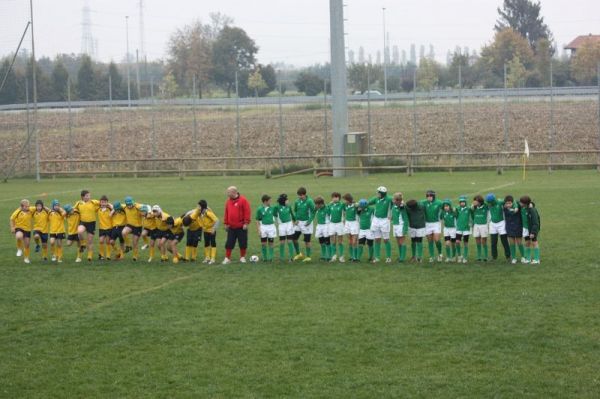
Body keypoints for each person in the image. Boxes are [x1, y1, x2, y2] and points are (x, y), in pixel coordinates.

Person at [223, 186, 251, 265]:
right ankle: (227, 258)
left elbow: (247, 212)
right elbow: (226, 213)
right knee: (229, 242)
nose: (227, 194)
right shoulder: (228, 202)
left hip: (241, 226)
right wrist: (226, 223)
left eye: (229, 192)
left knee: (243, 242)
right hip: (231, 227)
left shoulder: (243, 200)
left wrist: (246, 223)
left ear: (234, 192)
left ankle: (242, 257)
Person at [368, 186, 393, 263]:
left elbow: (397, 201)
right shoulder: (376, 198)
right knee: (377, 239)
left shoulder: (389, 199)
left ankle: (388, 257)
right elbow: (368, 202)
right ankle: (377, 257)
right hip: (376, 220)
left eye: (378, 192)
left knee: (386, 240)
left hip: (385, 220)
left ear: (382, 194)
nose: (377, 193)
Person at [74, 190, 100, 262]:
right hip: (83, 222)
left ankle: (89, 255)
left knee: (90, 240)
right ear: (82, 197)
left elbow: (103, 203)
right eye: (87, 196)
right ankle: (83, 243)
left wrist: (109, 205)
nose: (89, 197)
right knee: (79, 232)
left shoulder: (94, 202)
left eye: (89, 195)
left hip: (91, 223)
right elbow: (74, 209)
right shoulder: (79, 203)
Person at [191, 200, 219, 265]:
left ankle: (213, 258)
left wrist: (214, 229)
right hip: (205, 231)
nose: (197, 207)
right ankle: (207, 257)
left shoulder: (208, 213)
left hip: (211, 231)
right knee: (206, 243)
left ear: (202, 207)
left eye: (199, 206)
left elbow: (217, 220)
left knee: (213, 243)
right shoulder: (200, 213)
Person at [292, 187, 315, 262]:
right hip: (298, 223)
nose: (300, 197)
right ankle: (299, 254)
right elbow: (295, 211)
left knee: (307, 240)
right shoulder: (297, 201)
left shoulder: (309, 201)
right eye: (299, 195)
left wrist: (309, 221)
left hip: (306, 223)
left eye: (301, 195)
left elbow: (313, 212)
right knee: (294, 238)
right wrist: (295, 220)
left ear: (305, 194)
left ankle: (308, 256)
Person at [486, 193, 510, 261]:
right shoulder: (488, 204)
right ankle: (494, 256)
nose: (489, 204)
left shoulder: (500, 202)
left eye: (490, 202)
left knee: (504, 241)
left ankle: (508, 256)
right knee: (493, 242)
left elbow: (511, 201)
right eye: (488, 202)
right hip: (492, 224)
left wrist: (515, 206)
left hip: (501, 224)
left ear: (493, 200)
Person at [9, 199, 35, 264]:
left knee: (27, 245)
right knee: (19, 236)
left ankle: (26, 258)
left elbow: (38, 207)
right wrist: (12, 227)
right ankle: (19, 249)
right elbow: (12, 219)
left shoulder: (31, 210)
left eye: (28, 206)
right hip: (19, 227)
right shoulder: (17, 211)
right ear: (22, 206)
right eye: (26, 206)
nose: (27, 207)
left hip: (27, 229)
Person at [421, 190, 444, 262]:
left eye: (430, 196)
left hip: (436, 223)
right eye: (427, 196)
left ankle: (440, 254)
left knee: (437, 240)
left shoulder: (439, 202)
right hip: (427, 224)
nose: (429, 197)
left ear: (433, 196)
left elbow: (446, 207)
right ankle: (431, 256)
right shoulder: (423, 202)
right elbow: (415, 204)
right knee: (430, 240)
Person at [503, 195, 525, 264]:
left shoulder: (518, 206)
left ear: (513, 202)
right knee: (511, 243)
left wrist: (515, 204)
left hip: (518, 226)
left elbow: (521, 202)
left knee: (519, 242)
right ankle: (514, 258)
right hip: (509, 227)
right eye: (507, 203)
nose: (508, 205)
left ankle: (523, 256)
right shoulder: (504, 208)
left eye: (510, 203)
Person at [273, 194, 295, 262]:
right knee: (282, 242)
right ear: (283, 201)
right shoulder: (276, 207)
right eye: (286, 200)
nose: (288, 201)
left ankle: (291, 258)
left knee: (289, 241)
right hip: (281, 225)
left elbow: (292, 214)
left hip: (289, 225)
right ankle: (281, 258)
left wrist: (295, 220)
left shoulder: (289, 206)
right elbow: (274, 214)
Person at [520, 195, 541, 264]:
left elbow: (535, 222)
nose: (520, 203)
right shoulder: (523, 208)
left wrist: (533, 232)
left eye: (521, 202)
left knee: (534, 242)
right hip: (525, 229)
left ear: (525, 203)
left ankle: (537, 259)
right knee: (527, 243)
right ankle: (528, 259)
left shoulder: (532, 210)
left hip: (532, 229)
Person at [122, 196, 144, 261]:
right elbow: (116, 206)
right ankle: (128, 246)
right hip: (130, 225)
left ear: (132, 203)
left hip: (138, 227)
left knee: (135, 242)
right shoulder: (124, 207)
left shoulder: (137, 207)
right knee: (123, 232)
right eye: (128, 205)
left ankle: (135, 256)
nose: (129, 206)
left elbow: (145, 207)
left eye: (130, 204)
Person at [256, 194, 276, 262]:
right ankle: (265, 258)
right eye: (269, 201)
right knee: (263, 243)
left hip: (271, 227)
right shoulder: (259, 209)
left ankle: (270, 257)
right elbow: (257, 220)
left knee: (271, 243)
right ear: (265, 201)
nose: (270, 202)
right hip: (263, 227)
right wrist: (258, 230)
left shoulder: (273, 208)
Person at [391, 193, 409, 262]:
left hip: (401, 226)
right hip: (395, 225)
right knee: (398, 242)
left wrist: (405, 229)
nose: (393, 200)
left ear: (398, 200)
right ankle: (400, 255)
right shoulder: (394, 206)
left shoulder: (403, 207)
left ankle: (402, 258)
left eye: (394, 199)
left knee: (402, 242)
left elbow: (406, 218)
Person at [328, 192, 345, 262]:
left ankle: (341, 256)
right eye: (333, 197)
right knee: (333, 241)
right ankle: (334, 256)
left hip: (339, 224)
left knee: (340, 241)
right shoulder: (330, 205)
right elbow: (328, 212)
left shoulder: (342, 205)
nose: (335, 199)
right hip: (332, 224)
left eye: (336, 197)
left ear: (339, 198)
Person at [314, 196, 331, 261]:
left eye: (317, 204)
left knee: (327, 241)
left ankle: (329, 256)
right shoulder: (317, 209)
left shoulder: (327, 208)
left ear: (321, 204)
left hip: (326, 226)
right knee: (321, 242)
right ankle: (323, 256)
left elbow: (330, 215)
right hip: (319, 226)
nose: (316, 205)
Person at [455, 196, 472, 264]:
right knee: (457, 242)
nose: (462, 203)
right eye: (461, 202)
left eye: (463, 202)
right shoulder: (457, 208)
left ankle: (465, 257)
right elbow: (455, 216)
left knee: (465, 243)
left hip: (466, 228)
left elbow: (472, 215)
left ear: (465, 202)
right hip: (459, 228)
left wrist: (471, 223)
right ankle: (459, 256)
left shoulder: (468, 209)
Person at [472, 195, 489, 262]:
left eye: (476, 201)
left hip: (483, 225)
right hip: (476, 225)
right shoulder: (473, 207)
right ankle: (479, 256)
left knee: (484, 241)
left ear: (480, 202)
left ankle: (486, 256)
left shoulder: (485, 206)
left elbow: (489, 204)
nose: (475, 202)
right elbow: (472, 209)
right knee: (477, 241)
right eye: (474, 200)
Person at [342, 193, 359, 262]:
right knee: (350, 241)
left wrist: (357, 205)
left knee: (354, 241)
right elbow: (342, 210)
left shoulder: (355, 206)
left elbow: (361, 207)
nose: (344, 201)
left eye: (345, 200)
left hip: (354, 223)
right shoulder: (345, 205)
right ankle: (351, 256)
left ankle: (355, 257)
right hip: (347, 223)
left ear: (348, 200)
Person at [97, 195, 113, 260]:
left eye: (105, 202)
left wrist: (110, 205)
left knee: (108, 241)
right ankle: (101, 255)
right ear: (100, 202)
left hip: (109, 228)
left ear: (107, 202)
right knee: (101, 241)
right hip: (101, 228)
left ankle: (108, 255)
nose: (103, 203)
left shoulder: (110, 209)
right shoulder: (98, 209)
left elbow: (114, 208)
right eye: (102, 202)